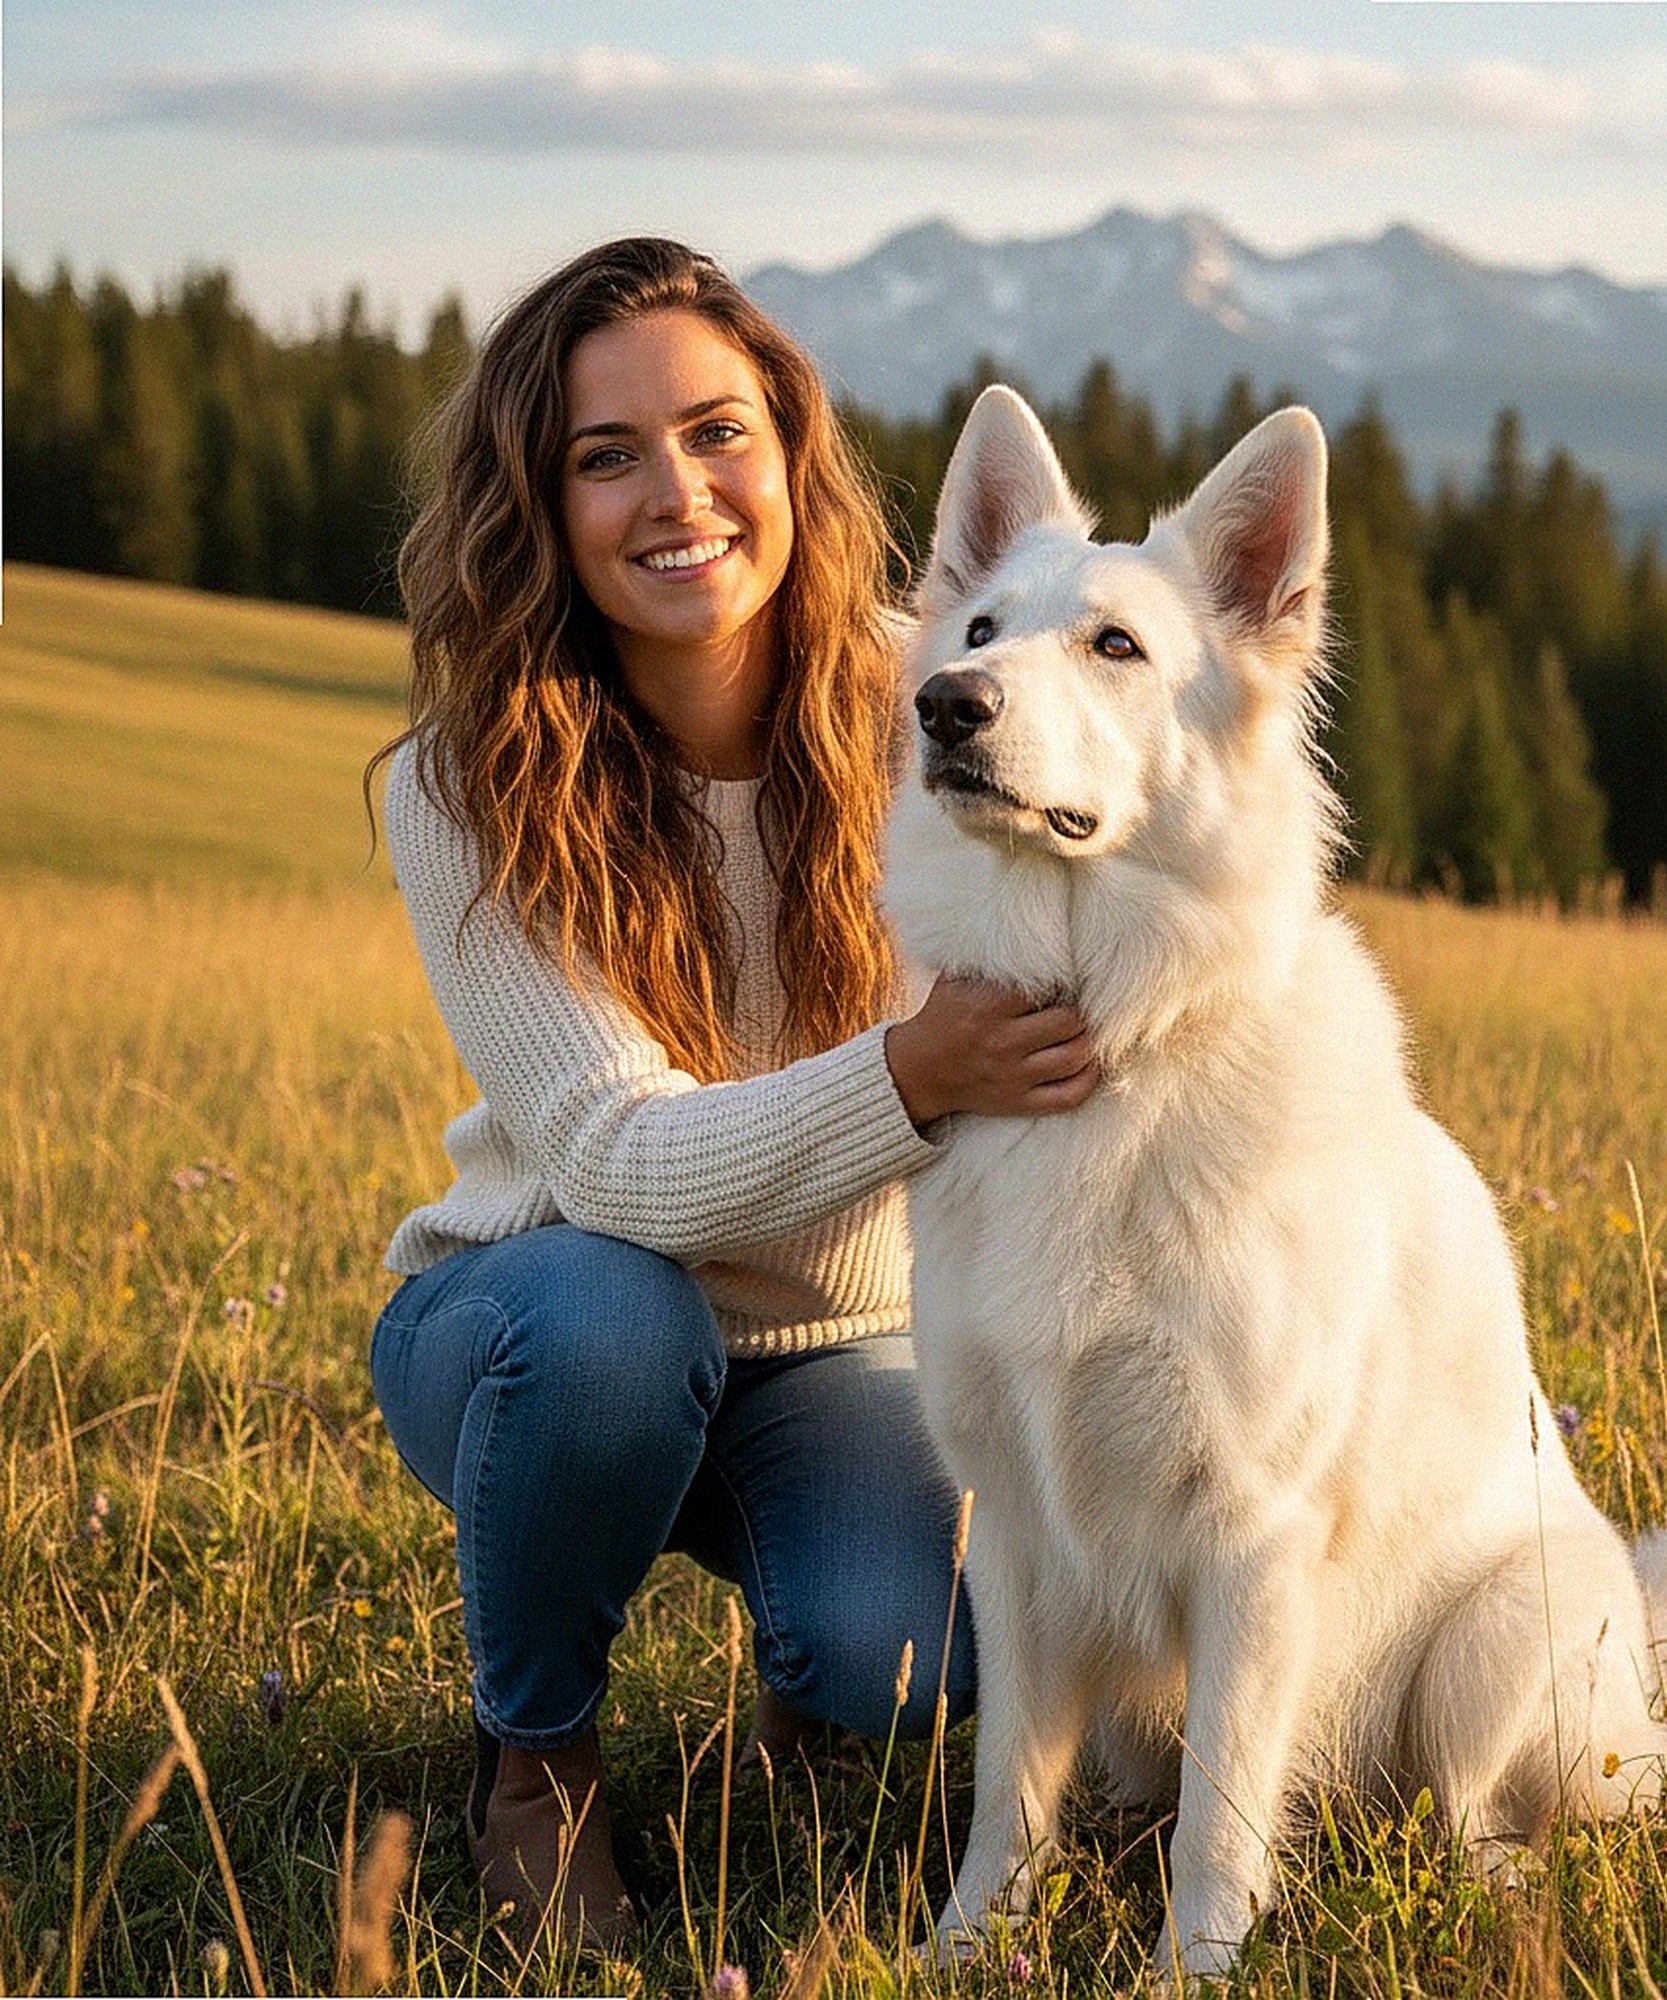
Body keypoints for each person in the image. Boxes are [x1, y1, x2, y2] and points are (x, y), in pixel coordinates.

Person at [368, 238, 1097, 1953]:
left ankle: (807, 1679)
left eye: (717, 433)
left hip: (841, 1347)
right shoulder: (465, 780)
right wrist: (917, 1071)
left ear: (789, 451)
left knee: (924, 1656)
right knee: (618, 1325)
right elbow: (623, 1170)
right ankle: (536, 1765)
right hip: (534, 1323)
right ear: (536, 506)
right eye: (604, 455)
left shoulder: (939, 695)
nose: (675, 494)